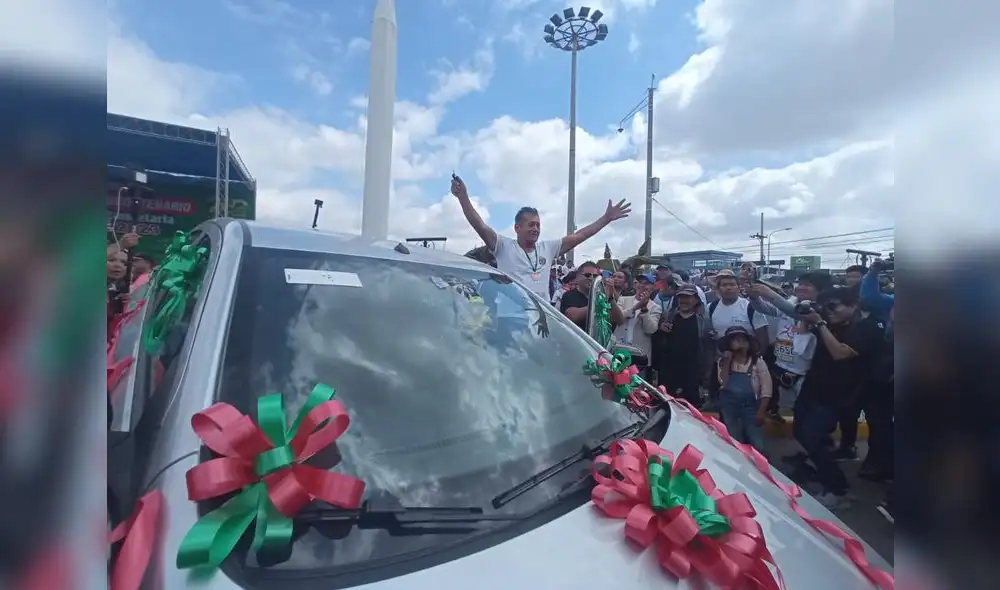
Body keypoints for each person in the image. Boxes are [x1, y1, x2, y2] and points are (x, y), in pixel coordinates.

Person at [450, 174, 630, 299]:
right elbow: (479, 225)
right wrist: (463, 197)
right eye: (531, 225)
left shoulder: (548, 248)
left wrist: (606, 219)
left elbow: (581, 235)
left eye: (538, 225)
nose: (536, 229)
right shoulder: (503, 246)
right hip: (510, 316)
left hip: (541, 319)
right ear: (517, 228)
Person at [794, 286, 886, 510]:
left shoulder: (868, 328)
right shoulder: (830, 322)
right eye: (826, 307)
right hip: (813, 385)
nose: (829, 311)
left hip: (837, 394)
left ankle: (837, 489)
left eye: (834, 306)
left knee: (812, 436)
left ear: (853, 305)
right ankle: (821, 469)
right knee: (800, 431)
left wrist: (821, 324)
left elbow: (840, 353)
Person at [747, 273, 832, 420]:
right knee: (787, 406)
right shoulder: (789, 301)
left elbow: (794, 312)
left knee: (806, 413)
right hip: (782, 364)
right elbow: (764, 309)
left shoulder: (821, 308)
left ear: (820, 290)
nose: (802, 287)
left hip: (806, 371)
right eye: (801, 283)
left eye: (808, 285)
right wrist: (754, 297)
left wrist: (769, 293)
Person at [655, 284, 713, 406]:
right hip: (669, 372)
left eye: (688, 297)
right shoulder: (670, 317)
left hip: (692, 374)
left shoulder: (703, 322)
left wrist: (706, 373)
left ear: (696, 300)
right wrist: (661, 329)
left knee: (691, 408)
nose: (684, 300)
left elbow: (707, 349)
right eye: (681, 297)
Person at [717, 326, 772, 452]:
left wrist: (761, 411)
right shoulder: (723, 362)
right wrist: (728, 360)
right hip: (729, 406)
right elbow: (723, 382)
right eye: (735, 339)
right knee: (733, 441)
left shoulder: (757, 362)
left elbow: (766, 388)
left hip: (750, 406)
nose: (739, 341)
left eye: (742, 339)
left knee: (757, 444)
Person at [559, 261, 624, 330]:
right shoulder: (568, 295)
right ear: (578, 277)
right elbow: (571, 316)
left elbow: (619, 320)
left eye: (595, 276)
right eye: (587, 275)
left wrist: (610, 298)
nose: (591, 278)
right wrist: (601, 302)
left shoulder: (601, 295)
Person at [613, 274, 661, 361]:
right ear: (635, 285)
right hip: (619, 349)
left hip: (639, 354)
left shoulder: (655, 307)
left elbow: (651, 330)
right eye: (640, 282)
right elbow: (617, 318)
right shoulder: (623, 299)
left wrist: (644, 310)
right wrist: (635, 307)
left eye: (646, 283)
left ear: (653, 287)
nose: (642, 285)